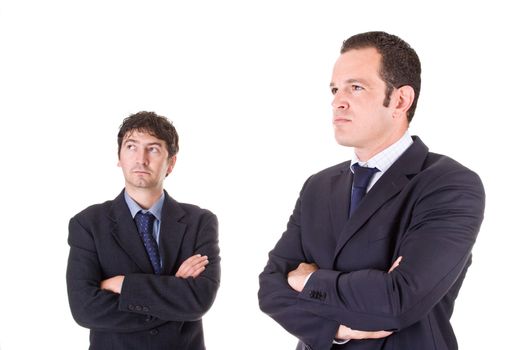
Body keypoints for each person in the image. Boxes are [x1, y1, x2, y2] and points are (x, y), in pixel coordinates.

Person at [258, 31, 485, 350]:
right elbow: (270, 289)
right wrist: (338, 327)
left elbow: (398, 301)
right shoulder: (318, 186)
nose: (338, 100)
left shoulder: (449, 184)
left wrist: (308, 280)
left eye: (356, 87)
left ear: (401, 100)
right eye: (335, 89)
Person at [66, 111, 220, 350]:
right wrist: (174, 292)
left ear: (171, 162)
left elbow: (199, 301)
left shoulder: (200, 222)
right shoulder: (88, 224)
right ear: (119, 156)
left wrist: (124, 285)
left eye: (153, 149)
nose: (141, 159)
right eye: (131, 147)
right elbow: (84, 309)